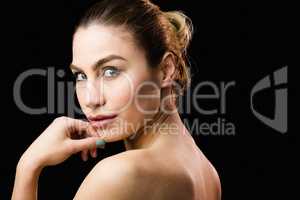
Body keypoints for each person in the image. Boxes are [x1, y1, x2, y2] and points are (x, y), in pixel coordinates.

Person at [12, 0, 221, 199]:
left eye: (110, 71)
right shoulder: (208, 174)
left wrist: (28, 166)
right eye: (81, 76)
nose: (91, 99)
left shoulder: (120, 173)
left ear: (165, 70)